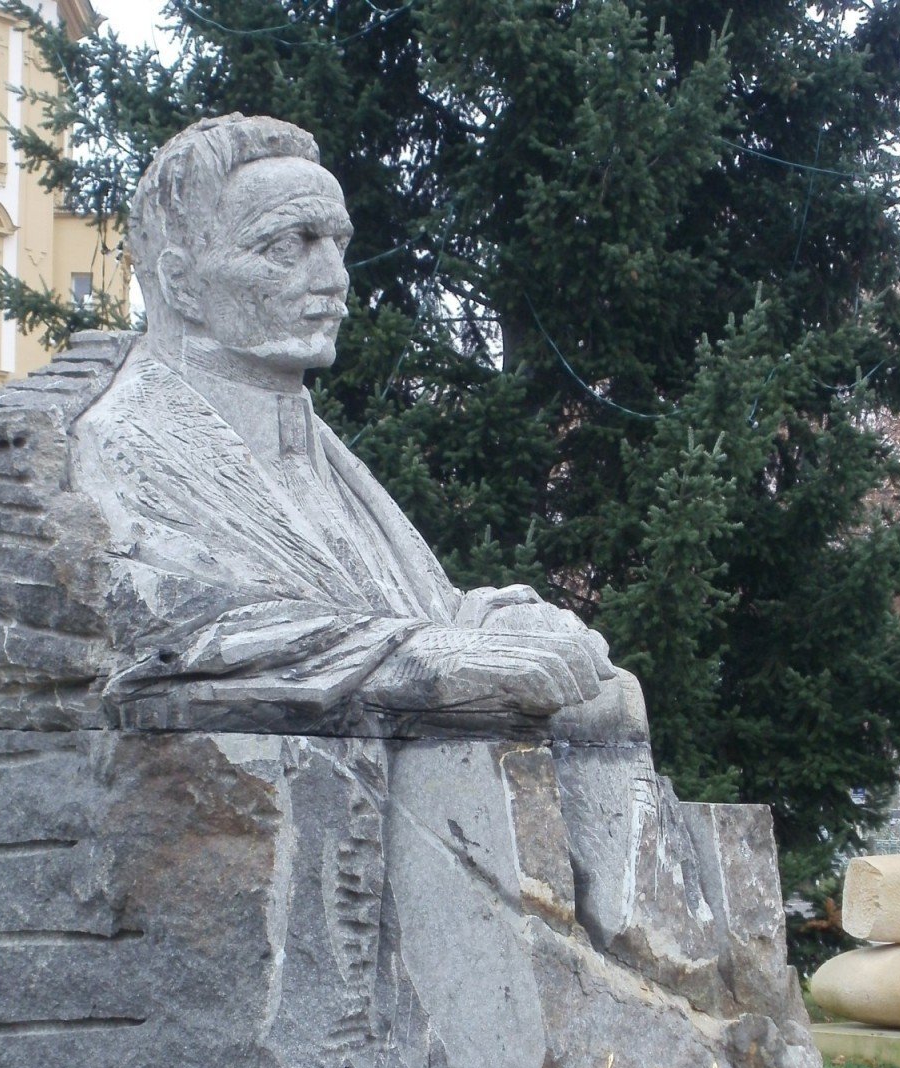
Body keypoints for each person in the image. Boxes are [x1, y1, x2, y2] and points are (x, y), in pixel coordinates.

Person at [74, 113, 648, 748]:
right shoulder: (122, 441)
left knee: (606, 703)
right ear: (181, 282)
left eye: (337, 246)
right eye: (289, 246)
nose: (334, 278)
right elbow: (172, 636)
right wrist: (419, 660)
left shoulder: (316, 442)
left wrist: (495, 618)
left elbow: (400, 599)